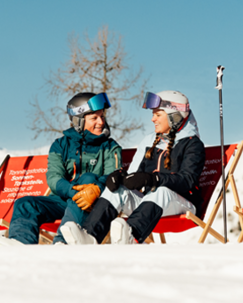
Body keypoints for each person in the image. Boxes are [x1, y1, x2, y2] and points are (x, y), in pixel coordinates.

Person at [60, 90, 205, 245]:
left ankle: (131, 236)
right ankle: (90, 236)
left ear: (174, 116)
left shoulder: (192, 144)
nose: (152, 119)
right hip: (150, 202)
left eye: (157, 114)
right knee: (117, 191)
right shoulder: (149, 141)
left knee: (162, 191)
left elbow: (187, 180)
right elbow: (133, 175)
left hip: (183, 204)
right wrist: (120, 177)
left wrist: (153, 179)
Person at [0, 92, 122, 246]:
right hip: (64, 200)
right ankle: (21, 243)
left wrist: (97, 188)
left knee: (88, 178)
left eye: (102, 116)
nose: (101, 122)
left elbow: (113, 175)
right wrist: (73, 192)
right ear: (78, 121)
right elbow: (54, 178)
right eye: (94, 118)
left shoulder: (110, 147)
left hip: (94, 204)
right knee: (25, 203)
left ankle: (63, 242)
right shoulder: (60, 145)